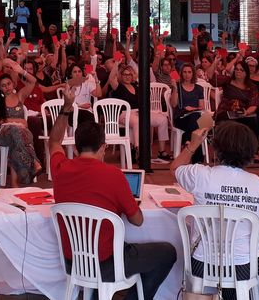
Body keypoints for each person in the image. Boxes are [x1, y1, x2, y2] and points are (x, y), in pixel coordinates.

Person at [48, 86, 176, 300]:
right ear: (103, 147)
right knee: (167, 252)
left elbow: (54, 141)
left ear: (76, 148)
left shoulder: (60, 168)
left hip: (73, 262)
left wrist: (67, 107)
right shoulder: (114, 175)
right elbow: (137, 220)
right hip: (107, 264)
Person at [172, 123, 259, 299]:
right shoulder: (256, 183)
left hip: (202, 263)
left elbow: (175, 168)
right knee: (257, 257)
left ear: (216, 148)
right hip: (244, 266)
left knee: (226, 266)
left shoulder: (200, 175)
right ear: (251, 151)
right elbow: (258, 224)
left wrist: (193, 144)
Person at [106, 64, 171, 163]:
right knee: (137, 121)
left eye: (129, 74)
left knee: (162, 120)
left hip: (139, 112)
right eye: (125, 74)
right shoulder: (118, 86)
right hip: (124, 114)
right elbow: (111, 78)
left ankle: (162, 151)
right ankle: (139, 150)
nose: (127, 76)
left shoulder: (136, 86)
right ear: (121, 76)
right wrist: (116, 64)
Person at [0, 60, 41, 186]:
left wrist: (22, 71)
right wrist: (19, 121)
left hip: (21, 135)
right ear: (0, 88)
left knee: (17, 142)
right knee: (16, 131)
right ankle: (33, 162)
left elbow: (33, 81)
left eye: (8, 84)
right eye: (3, 85)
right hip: (3, 135)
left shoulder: (20, 96)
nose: (7, 87)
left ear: (13, 84)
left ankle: (15, 183)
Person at [215, 60, 259, 162]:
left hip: (242, 112)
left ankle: (253, 152)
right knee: (225, 122)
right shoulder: (227, 81)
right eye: (236, 69)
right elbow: (211, 78)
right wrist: (215, 62)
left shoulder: (252, 87)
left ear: (246, 73)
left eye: (241, 70)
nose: (238, 72)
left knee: (252, 122)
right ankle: (223, 153)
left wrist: (246, 112)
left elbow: (254, 104)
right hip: (225, 111)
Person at [169, 63, 206, 163]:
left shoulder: (199, 88)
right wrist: (175, 89)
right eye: (184, 72)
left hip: (195, 116)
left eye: (189, 72)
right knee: (195, 120)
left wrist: (192, 108)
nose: (187, 74)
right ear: (181, 74)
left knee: (197, 117)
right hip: (181, 118)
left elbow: (202, 107)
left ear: (193, 74)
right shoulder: (177, 87)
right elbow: (173, 104)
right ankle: (197, 159)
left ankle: (187, 140)